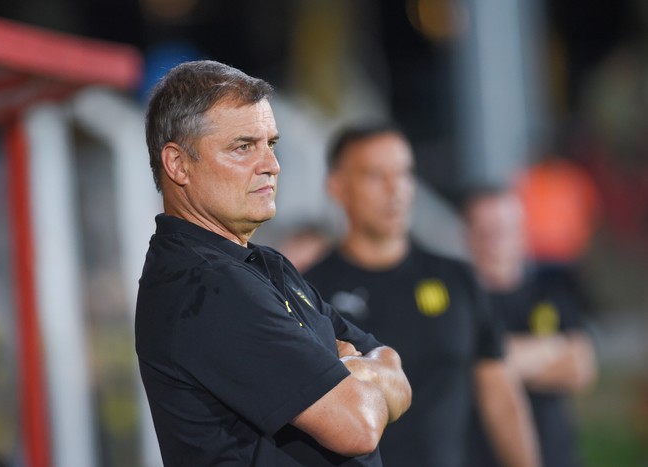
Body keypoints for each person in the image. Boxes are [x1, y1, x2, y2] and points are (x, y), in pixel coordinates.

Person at [135, 60, 411, 467]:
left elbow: (396, 369)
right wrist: (355, 367)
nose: (271, 165)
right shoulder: (206, 286)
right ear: (177, 164)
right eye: (243, 147)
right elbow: (359, 424)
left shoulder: (262, 265)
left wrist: (348, 371)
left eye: (271, 144)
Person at [303, 121, 540, 467]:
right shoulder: (311, 292)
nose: (395, 190)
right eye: (375, 175)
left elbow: (501, 398)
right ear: (337, 187)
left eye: (404, 173)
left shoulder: (457, 279)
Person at [463, 186, 597, 467]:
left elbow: (581, 366)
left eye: (503, 230)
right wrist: (551, 348)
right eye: (485, 232)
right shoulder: (458, 301)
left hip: (556, 456)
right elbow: (465, 370)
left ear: (521, 231)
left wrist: (497, 367)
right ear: (467, 235)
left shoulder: (550, 291)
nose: (494, 242)